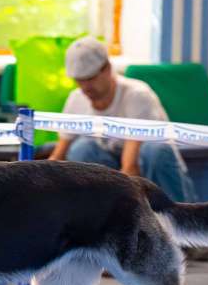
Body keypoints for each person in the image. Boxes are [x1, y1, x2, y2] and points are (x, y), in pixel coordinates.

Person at [48, 37, 198, 204]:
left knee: (155, 151)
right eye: (79, 81)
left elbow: (130, 167)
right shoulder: (77, 99)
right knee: (81, 150)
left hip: (148, 167)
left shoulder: (137, 94)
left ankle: (177, 217)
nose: (85, 87)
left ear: (107, 69)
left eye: (90, 78)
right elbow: (58, 155)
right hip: (115, 164)